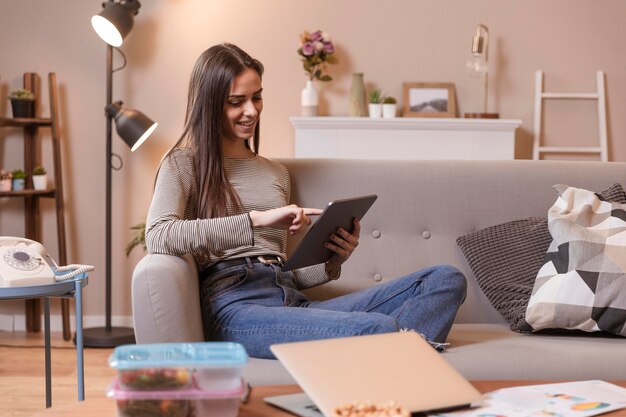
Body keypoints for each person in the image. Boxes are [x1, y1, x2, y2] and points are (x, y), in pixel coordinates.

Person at [145, 43, 467, 359]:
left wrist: (333, 262)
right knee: (376, 328)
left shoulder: (275, 173)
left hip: (289, 297)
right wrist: (257, 219)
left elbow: (285, 274)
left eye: (257, 97)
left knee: (444, 279)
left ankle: (395, 365)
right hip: (235, 307)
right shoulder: (183, 163)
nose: (251, 110)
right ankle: (406, 366)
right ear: (210, 104)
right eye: (236, 101)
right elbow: (158, 235)